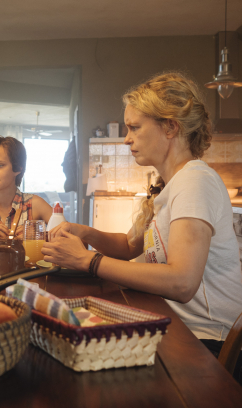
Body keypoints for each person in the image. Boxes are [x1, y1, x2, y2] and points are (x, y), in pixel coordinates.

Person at [43, 72, 242, 384]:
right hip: (180, 326)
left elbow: (181, 282)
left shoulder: (194, 181)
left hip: (209, 342)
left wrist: (88, 261)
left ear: (170, 127)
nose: (126, 138)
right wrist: (87, 233)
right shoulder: (170, 184)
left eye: (134, 127)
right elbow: (128, 246)